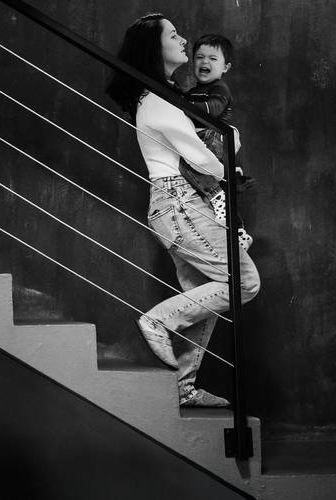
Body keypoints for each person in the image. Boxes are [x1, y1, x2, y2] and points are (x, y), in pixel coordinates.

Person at [106, 14, 260, 407]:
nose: (183, 40)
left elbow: (200, 147)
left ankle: (184, 387)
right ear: (153, 48)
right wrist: (230, 158)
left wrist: (224, 150)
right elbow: (201, 157)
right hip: (179, 202)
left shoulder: (162, 96)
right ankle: (159, 319)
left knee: (202, 299)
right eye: (173, 35)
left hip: (180, 203)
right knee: (243, 283)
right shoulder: (159, 100)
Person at [177, 33, 254, 250]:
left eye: (213, 58)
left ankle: (216, 195)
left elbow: (212, 110)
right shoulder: (192, 92)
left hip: (214, 137)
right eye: (200, 57)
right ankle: (239, 232)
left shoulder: (219, 89)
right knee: (218, 184)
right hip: (205, 139)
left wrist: (181, 107)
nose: (205, 62)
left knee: (187, 165)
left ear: (225, 67)